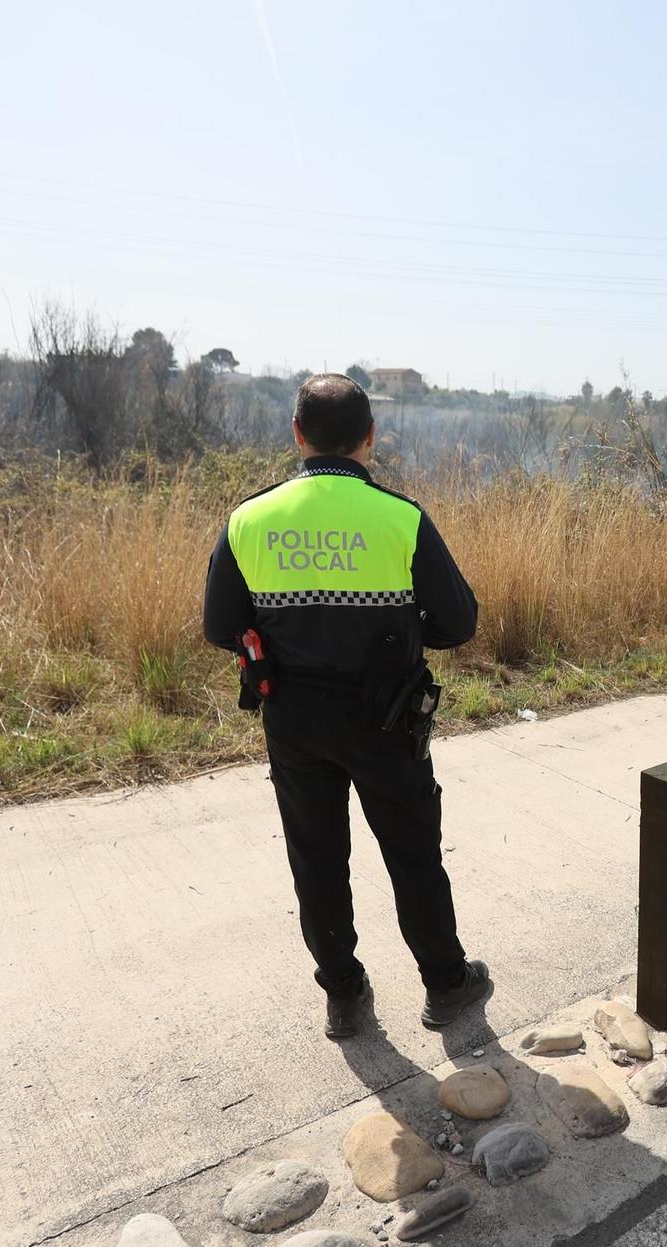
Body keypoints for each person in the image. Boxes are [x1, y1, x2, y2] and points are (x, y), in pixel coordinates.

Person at [203, 373, 490, 1038]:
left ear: (298, 435)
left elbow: (221, 626)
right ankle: (446, 986)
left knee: (317, 857)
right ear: (370, 437)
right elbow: (459, 622)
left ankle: (344, 994)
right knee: (413, 853)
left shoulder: (249, 519)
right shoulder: (401, 519)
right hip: (387, 717)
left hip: (294, 718)